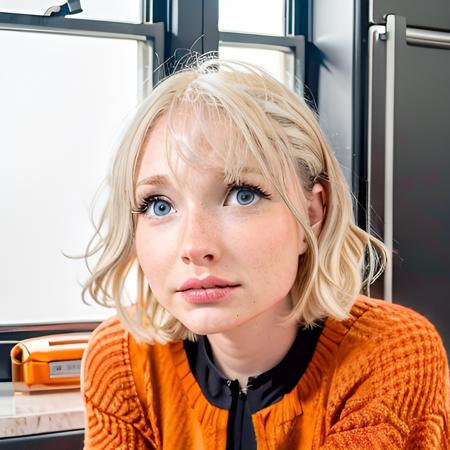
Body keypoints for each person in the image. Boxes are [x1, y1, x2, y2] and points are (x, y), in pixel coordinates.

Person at [80, 56, 449, 449]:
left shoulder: (392, 352)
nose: (194, 247)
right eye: (159, 205)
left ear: (312, 215)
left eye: (243, 195)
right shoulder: (121, 361)